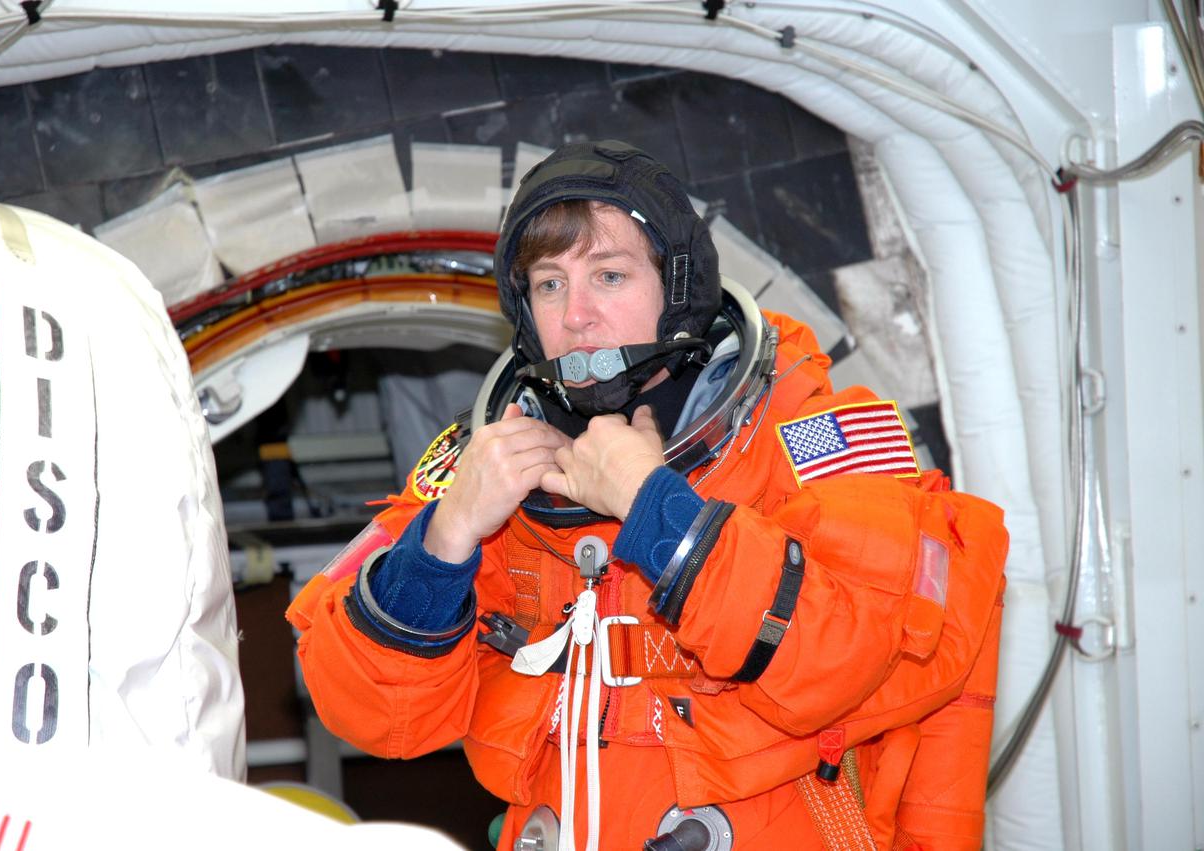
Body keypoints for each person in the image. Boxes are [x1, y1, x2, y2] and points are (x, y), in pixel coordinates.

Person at [287, 140, 1008, 850]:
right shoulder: (492, 463)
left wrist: (657, 508)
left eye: (608, 275)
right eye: (549, 284)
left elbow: (850, 657)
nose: (575, 315)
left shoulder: (814, 432)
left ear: (679, 287)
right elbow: (374, 714)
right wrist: (446, 539)